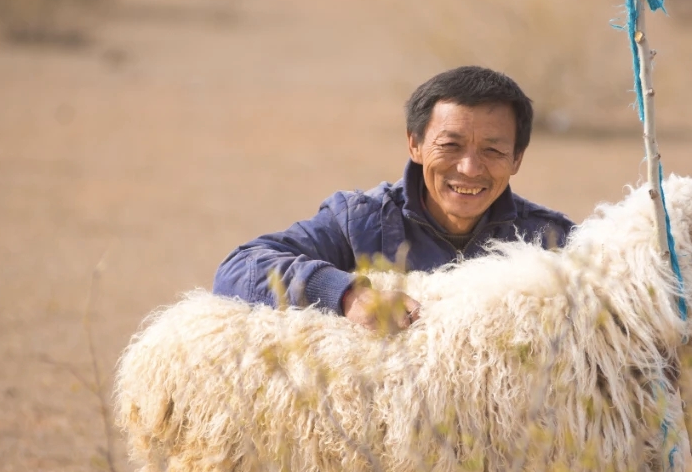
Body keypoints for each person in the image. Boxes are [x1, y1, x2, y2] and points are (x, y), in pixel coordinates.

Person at [213, 66, 574, 330]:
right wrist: (349, 296)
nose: (469, 168)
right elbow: (240, 268)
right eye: (451, 145)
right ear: (414, 144)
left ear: (517, 159)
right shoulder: (359, 222)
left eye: (493, 150)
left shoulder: (549, 241)